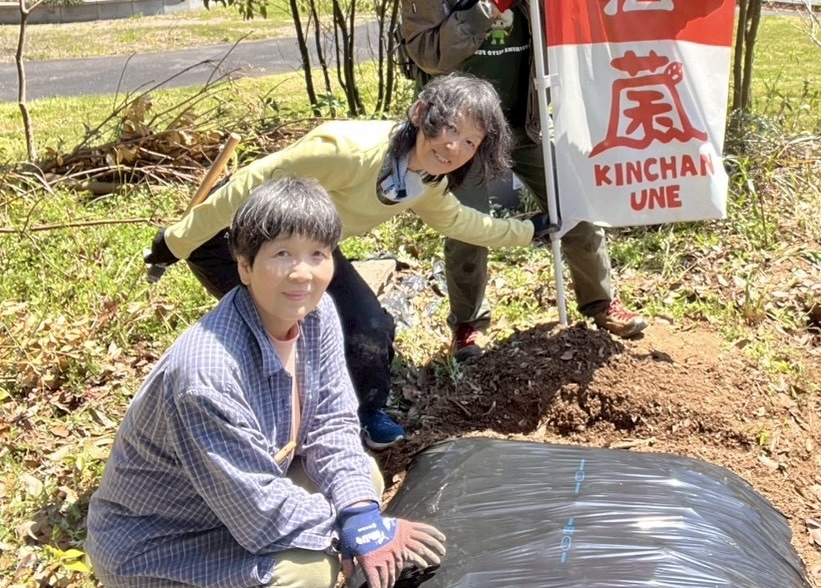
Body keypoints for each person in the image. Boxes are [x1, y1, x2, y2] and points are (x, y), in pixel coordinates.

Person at [143, 73, 550, 450]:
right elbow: (250, 183)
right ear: (420, 114)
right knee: (279, 330)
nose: (453, 146)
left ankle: (366, 413)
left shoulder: (425, 180)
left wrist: (529, 232)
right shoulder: (348, 150)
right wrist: (175, 242)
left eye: (470, 141)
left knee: (370, 326)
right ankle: (263, 429)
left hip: (308, 241)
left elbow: (460, 221)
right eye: (449, 128)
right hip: (233, 235)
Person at [88, 177, 446, 588]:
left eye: (318, 254)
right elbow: (259, 512)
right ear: (244, 265)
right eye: (282, 254)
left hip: (237, 497)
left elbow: (332, 424)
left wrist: (361, 515)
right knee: (308, 573)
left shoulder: (316, 314)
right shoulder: (205, 377)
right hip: (166, 542)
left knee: (362, 477)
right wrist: (348, 531)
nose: (302, 274)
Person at [400, 0, 648, 359]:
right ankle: (468, 324)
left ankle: (600, 302)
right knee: (465, 221)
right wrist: (496, 2)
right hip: (458, 121)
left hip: (528, 111)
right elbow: (428, 52)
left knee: (572, 201)